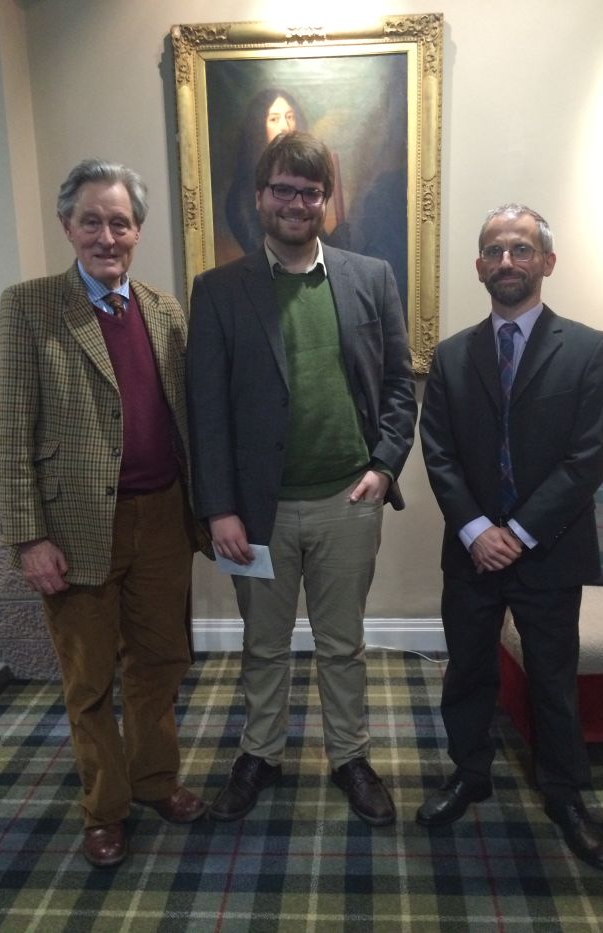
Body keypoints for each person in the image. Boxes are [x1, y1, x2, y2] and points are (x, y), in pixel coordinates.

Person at [186, 131, 417, 826]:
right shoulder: (219, 290)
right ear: (258, 198)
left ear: (326, 202)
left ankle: (350, 755)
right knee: (263, 645)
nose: (295, 203)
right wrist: (220, 508)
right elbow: (207, 409)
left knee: (343, 643)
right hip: (259, 515)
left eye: (309, 191)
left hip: (348, 501)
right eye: (282, 189)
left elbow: (400, 386)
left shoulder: (369, 276)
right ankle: (260, 752)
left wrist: (383, 467)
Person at [0, 158, 209, 868]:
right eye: (92, 220)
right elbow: (11, 432)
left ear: (138, 230)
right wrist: (28, 536)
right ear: (67, 226)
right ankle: (103, 807)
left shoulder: (163, 308)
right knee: (88, 679)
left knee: (161, 660)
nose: (106, 235)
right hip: (76, 528)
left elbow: (185, 418)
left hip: (163, 518)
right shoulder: (29, 306)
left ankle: (154, 780)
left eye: (120, 222)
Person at [418, 204, 603, 869]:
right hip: (471, 550)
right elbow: (439, 452)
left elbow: (586, 458)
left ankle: (564, 792)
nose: (507, 261)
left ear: (547, 262)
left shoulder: (591, 350)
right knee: (467, 672)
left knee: (554, 680)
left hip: (551, 549)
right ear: (479, 266)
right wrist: (478, 529)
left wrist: (521, 531)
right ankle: (469, 772)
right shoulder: (451, 357)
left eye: (521, 249)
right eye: (495, 251)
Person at [225, 88, 308, 255]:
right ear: (259, 125)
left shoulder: (301, 177)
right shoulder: (244, 190)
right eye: (274, 119)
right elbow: (260, 251)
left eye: (289, 117)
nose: (285, 127)